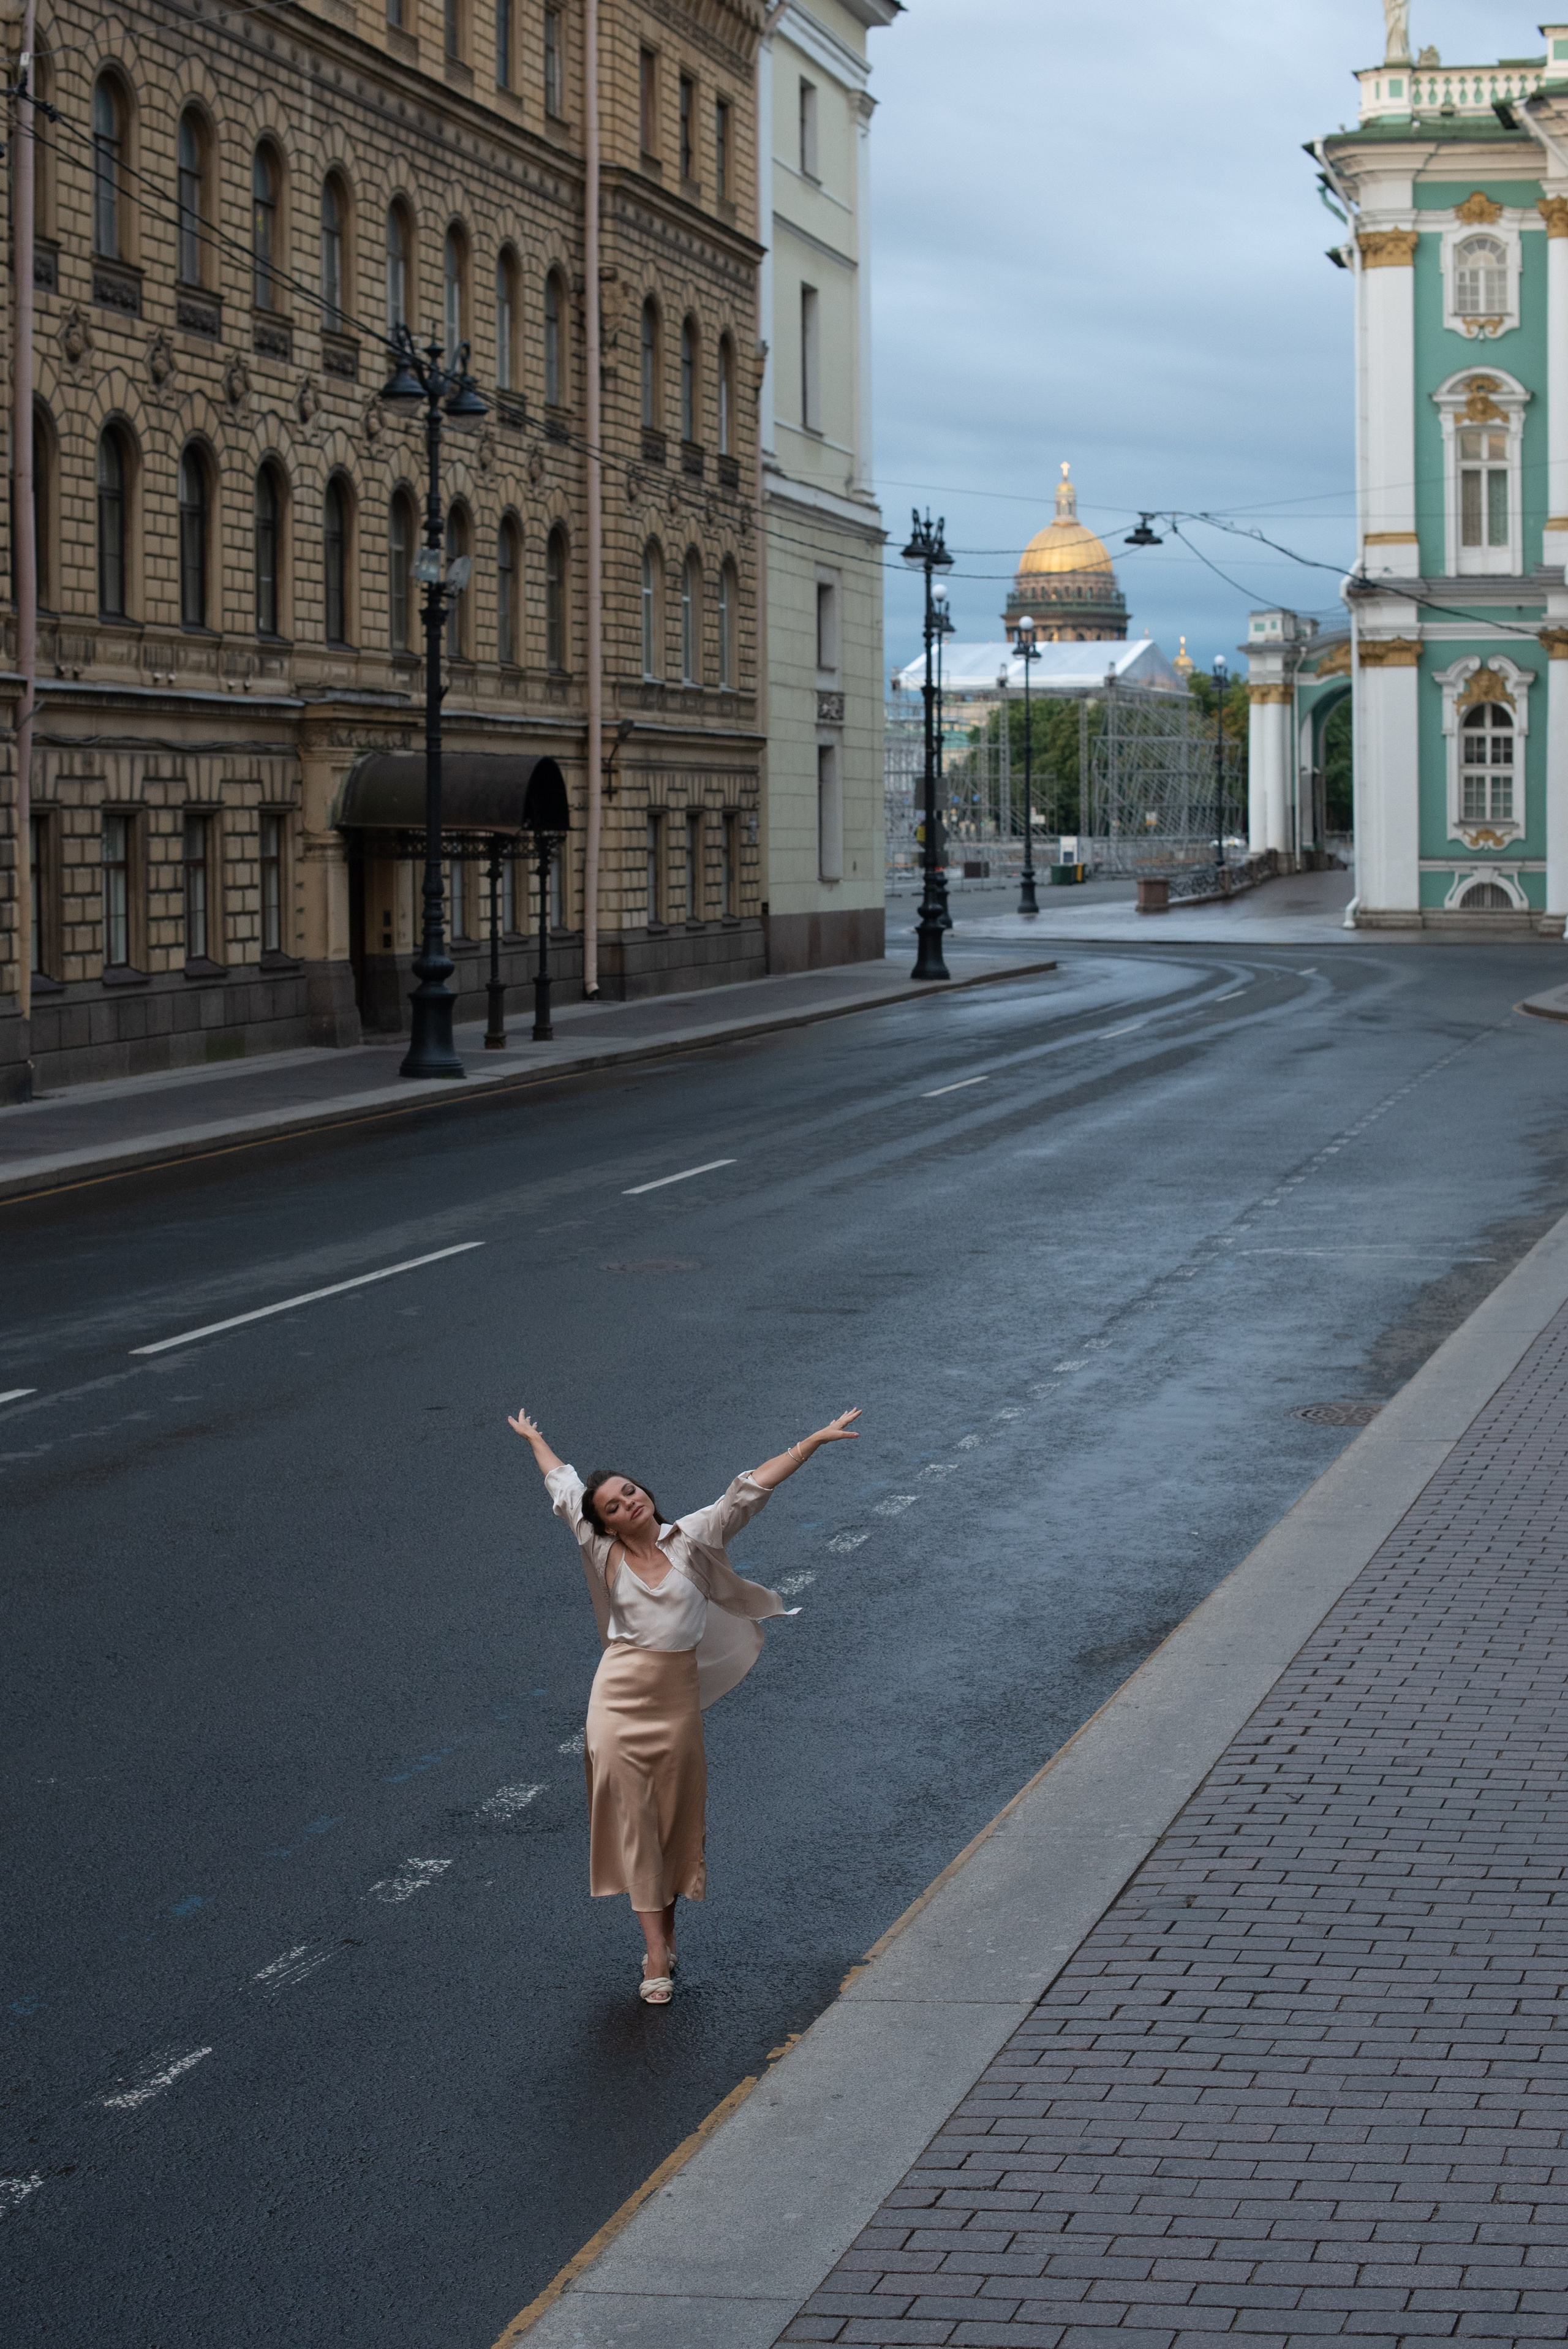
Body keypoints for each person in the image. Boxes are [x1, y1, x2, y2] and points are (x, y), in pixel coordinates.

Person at [508, 1405, 861, 2003]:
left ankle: (665, 1937)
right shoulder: (602, 1552)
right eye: (614, 1507)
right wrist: (535, 1440)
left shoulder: (693, 1536)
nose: (626, 1504)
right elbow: (563, 1486)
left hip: (675, 1702)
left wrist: (813, 1443)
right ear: (608, 1526)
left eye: (629, 1492)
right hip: (617, 1699)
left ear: (645, 1492)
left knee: (671, 1821)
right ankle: (654, 1955)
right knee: (636, 1821)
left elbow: (747, 1489)